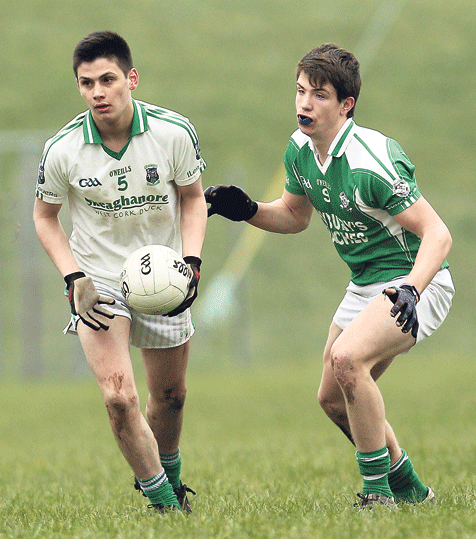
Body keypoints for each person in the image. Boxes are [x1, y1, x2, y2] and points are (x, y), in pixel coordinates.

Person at [204, 43, 454, 509]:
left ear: (346, 105)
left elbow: (438, 235)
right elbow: (295, 216)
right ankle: (412, 489)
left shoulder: (371, 160)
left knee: (347, 360)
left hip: (420, 282)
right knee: (333, 399)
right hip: (366, 285)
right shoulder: (299, 150)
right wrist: (249, 211)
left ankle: (377, 496)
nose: (304, 103)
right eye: (300, 91)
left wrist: (411, 290)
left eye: (319, 95)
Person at [33, 31, 207, 514]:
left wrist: (190, 264)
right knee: (117, 397)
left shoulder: (173, 133)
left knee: (170, 396)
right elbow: (44, 217)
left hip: (164, 275)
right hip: (99, 281)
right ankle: (164, 504)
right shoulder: (63, 149)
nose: (97, 92)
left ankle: (170, 476)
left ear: (131, 78)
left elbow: (193, 200)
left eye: (107, 79)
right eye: (86, 83)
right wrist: (74, 278)